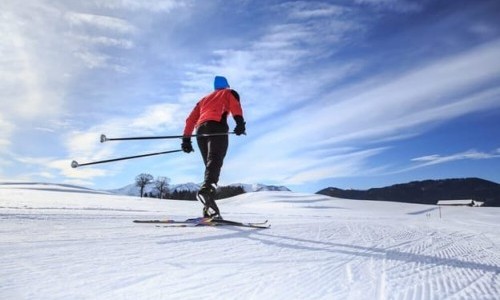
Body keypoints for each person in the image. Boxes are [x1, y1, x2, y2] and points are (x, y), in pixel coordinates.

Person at [181, 76, 246, 218]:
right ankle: (207, 191)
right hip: (217, 127)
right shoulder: (228, 93)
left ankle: (209, 208)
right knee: (215, 161)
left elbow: (190, 119)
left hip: (200, 131)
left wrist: (186, 139)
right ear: (227, 85)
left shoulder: (203, 100)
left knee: (211, 167)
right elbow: (235, 106)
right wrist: (240, 123)